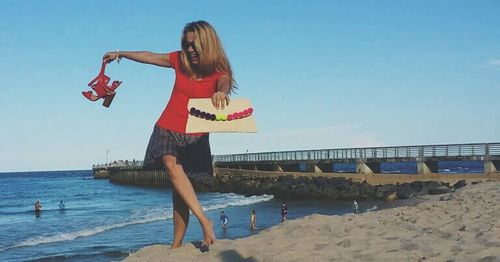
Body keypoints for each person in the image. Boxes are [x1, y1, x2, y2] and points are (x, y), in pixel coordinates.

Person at [102, 21, 235, 249]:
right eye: (186, 44)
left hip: (196, 134)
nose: (190, 49)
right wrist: (119, 53)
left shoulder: (218, 71)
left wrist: (221, 94)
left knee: (179, 192)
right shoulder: (179, 60)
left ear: (207, 43)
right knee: (170, 165)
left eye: (195, 45)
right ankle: (204, 220)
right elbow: (149, 56)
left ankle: (176, 243)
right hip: (167, 127)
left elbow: (225, 82)